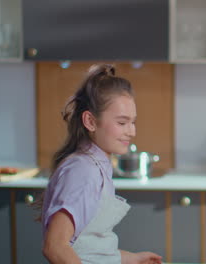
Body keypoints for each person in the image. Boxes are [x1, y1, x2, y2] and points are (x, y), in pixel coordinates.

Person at [39, 64, 163, 264]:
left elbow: (89, 248)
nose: (132, 132)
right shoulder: (82, 171)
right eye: (122, 123)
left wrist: (132, 259)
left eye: (133, 122)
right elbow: (55, 246)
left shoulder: (97, 166)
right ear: (90, 121)